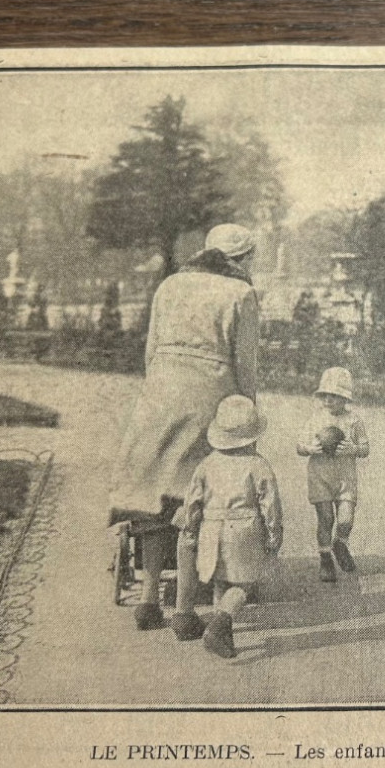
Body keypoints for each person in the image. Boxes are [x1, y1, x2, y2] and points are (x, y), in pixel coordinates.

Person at [109, 223, 260, 631]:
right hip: (209, 397)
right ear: (242, 259)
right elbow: (245, 364)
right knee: (195, 503)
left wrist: (158, 390)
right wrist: (247, 412)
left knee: (155, 495)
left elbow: (151, 349)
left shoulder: (171, 285)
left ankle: (147, 599)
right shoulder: (242, 294)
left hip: (161, 391)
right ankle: (184, 611)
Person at [171, 395, 283, 657]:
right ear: (252, 435)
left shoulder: (207, 463)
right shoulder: (258, 465)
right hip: (244, 530)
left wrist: (189, 529)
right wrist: (274, 533)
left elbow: (192, 502)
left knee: (221, 579)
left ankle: (222, 630)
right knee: (244, 584)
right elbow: (270, 504)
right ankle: (220, 624)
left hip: (211, 529)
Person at [296, 366, 369, 583]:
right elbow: (299, 446)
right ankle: (325, 557)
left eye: (335, 396)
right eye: (325, 395)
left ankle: (341, 543)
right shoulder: (315, 419)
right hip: (320, 475)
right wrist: (309, 448)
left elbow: (365, 449)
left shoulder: (354, 421)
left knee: (346, 520)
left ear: (345, 398)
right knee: (326, 518)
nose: (329, 400)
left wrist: (353, 449)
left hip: (345, 478)